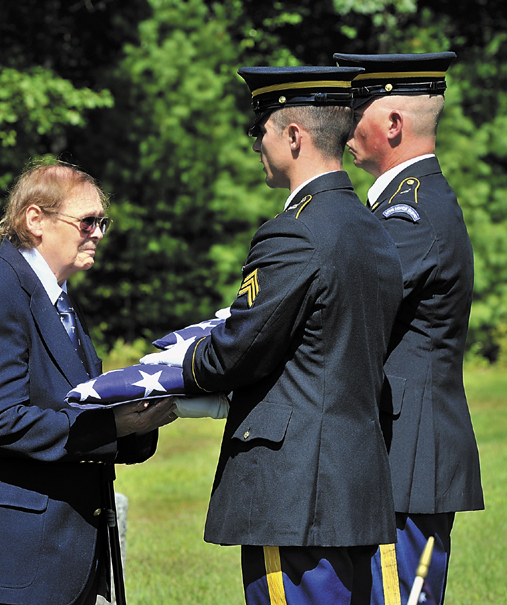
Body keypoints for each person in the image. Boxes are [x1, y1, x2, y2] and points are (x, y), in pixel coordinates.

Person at [142, 66, 404, 605]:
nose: (255, 144)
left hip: (298, 491)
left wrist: (173, 366)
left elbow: (239, 351)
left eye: (258, 130)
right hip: (352, 481)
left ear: (292, 136)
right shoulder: (371, 225)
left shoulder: (295, 230)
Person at [0, 161, 177, 605]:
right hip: (11, 563)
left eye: (103, 221)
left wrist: (142, 420)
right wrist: (112, 428)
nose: (99, 232)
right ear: (35, 219)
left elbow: (76, 403)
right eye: (87, 221)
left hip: (57, 559)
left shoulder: (56, 296)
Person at [334, 52, 485, 605]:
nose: (346, 125)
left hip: (410, 458)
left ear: (393, 125)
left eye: (357, 111)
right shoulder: (406, 205)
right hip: (403, 452)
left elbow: (344, 312)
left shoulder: (411, 215)